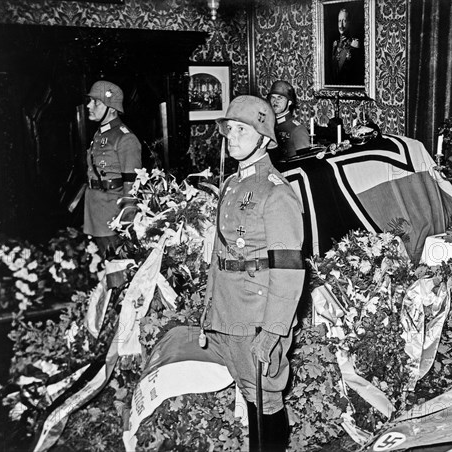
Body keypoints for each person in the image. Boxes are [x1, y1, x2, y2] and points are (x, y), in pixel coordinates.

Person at [170, 95, 305, 451]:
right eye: (229, 128)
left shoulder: (276, 193)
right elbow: (219, 253)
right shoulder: (231, 185)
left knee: (266, 399)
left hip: (257, 315)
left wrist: (274, 331)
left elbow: (289, 270)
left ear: (263, 137)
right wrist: (210, 306)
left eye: (242, 129)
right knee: (249, 393)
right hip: (229, 309)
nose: (232, 136)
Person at [84, 80, 142, 257]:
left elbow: (132, 184)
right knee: (102, 263)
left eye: (96, 102)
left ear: (112, 108)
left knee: (116, 266)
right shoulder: (101, 133)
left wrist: (126, 218)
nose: (89, 105)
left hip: (112, 211)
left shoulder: (125, 138)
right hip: (97, 206)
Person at [267, 80, 310, 159]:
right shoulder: (266, 125)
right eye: (273, 97)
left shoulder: (297, 130)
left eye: (280, 98)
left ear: (289, 102)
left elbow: (304, 162)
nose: (275, 101)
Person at [330, 7, 363, 85]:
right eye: (339, 21)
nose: (341, 25)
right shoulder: (335, 44)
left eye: (344, 21)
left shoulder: (355, 43)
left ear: (349, 22)